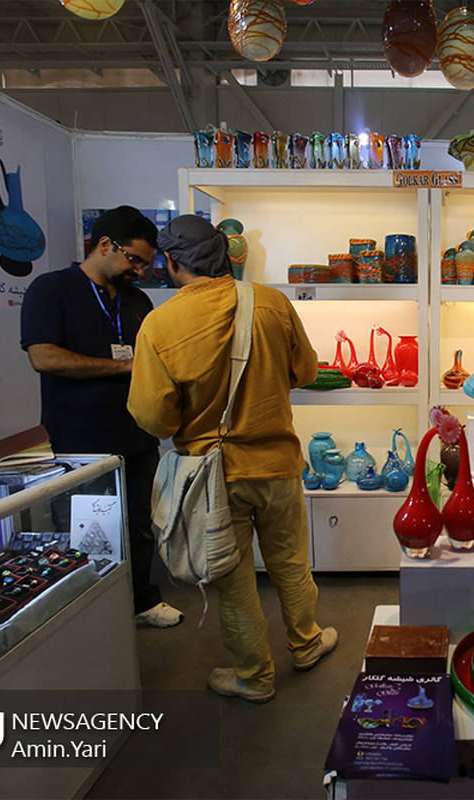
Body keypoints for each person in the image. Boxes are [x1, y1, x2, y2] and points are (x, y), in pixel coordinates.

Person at [126, 214, 336, 704]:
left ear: (171, 262)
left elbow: (153, 418)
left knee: (234, 581)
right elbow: (306, 371)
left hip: (212, 475)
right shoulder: (271, 302)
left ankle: (255, 677)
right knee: (291, 563)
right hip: (278, 463)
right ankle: (306, 644)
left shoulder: (159, 324)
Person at [20, 205, 184, 629]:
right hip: (79, 440)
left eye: (147, 264)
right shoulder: (51, 289)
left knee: (140, 524)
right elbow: (44, 357)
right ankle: (91, 616)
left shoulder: (136, 300)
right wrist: (123, 368)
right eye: (135, 260)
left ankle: (141, 601)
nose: (140, 271)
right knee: (89, 529)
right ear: (106, 245)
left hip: (136, 435)